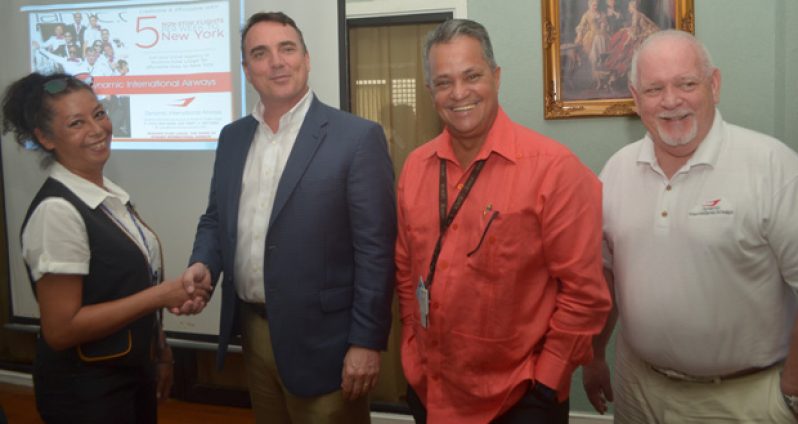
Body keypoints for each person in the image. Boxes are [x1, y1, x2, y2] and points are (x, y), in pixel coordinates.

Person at [179, 11, 396, 424]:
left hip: (327, 341)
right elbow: (215, 218)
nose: (276, 62)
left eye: (287, 49)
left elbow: (376, 251)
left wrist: (367, 341)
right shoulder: (232, 137)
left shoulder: (356, 138)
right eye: (260, 53)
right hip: (253, 329)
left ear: (307, 59)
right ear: (246, 69)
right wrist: (203, 262)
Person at [395, 19, 611, 424]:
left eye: (471, 76)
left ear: (496, 77)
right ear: (430, 93)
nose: (458, 93)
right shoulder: (414, 168)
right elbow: (407, 270)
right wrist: (411, 339)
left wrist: (546, 383)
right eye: (443, 82)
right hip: (430, 391)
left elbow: (585, 294)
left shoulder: (555, 170)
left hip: (521, 399)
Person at [582, 29, 798, 423]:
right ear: (635, 97)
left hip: (743, 399)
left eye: (686, 84)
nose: (670, 101)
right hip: (638, 390)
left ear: (713, 85)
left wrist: (793, 391)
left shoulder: (773, 166)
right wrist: (595, 354)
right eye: (654, 89)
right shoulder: (616, 170)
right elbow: (605, 274)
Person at [0, 73, 211, 423]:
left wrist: (159, 351)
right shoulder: (57, 212)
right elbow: (61, 328)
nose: (97, 129)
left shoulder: (107, 196)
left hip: (129, 374)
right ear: (45, 138)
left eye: (99, 114)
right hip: (86, 393)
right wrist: (161, 295)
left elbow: (128, 285)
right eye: (76, 123)